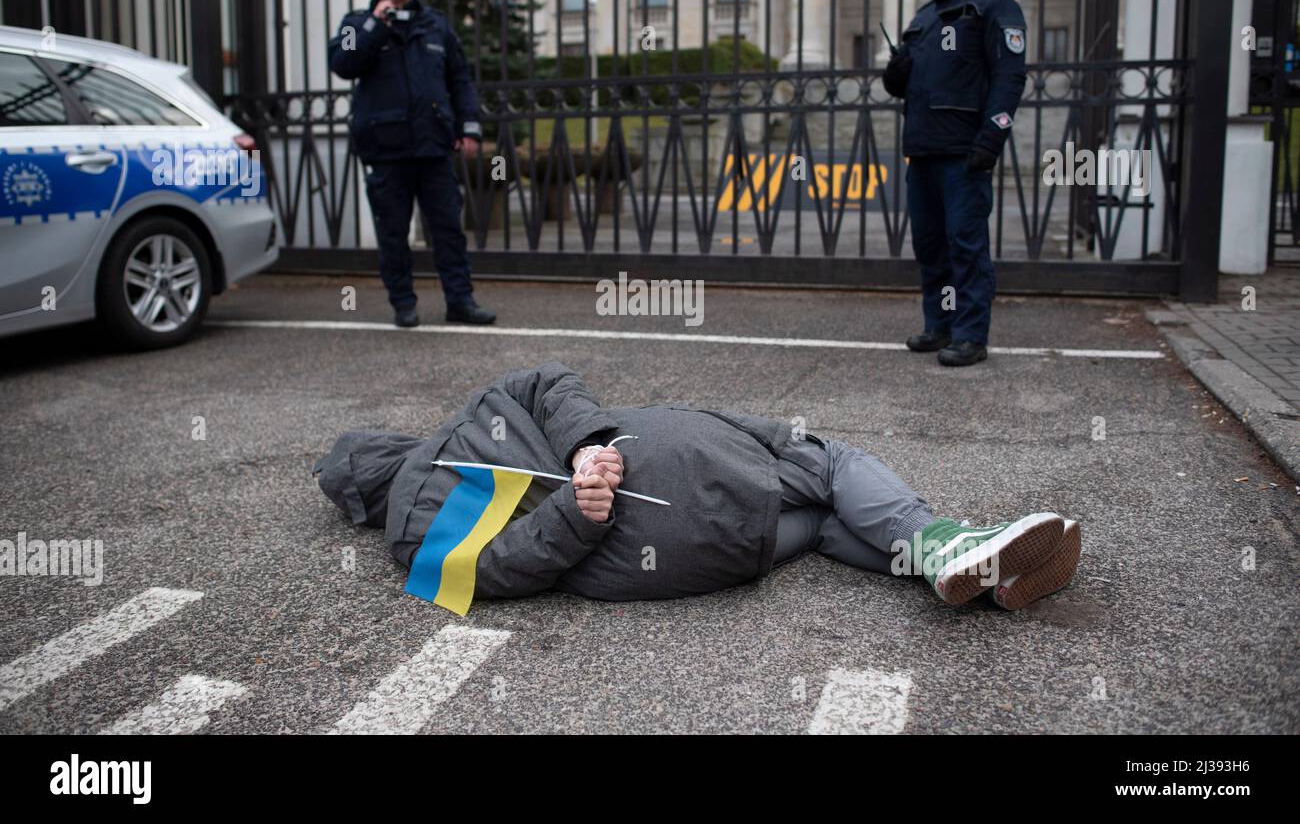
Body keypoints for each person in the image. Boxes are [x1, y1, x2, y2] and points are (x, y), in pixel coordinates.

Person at [314, 362, 1081, 612]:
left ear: (363, 506)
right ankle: (949, 544)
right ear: (390, 445)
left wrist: (577, 519)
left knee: (809, 529)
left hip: (665, 565)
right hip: (669, 458)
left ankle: (968, 573)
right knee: (828, 465)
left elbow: (502, 572)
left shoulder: (414, 547)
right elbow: (555, 380)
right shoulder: (473, 414)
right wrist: (591, 450)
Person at [882, 0, 1028, 367]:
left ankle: (970, 334)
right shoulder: (924, 17)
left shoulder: (994, 6)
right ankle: (941, 323)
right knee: (930, 246)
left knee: (965, 244)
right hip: (922, 150)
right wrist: (896, 75)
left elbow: (1009, 76)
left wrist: (992, 136)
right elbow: (908, 84)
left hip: (964, 152)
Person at [328, 0, 496, 328]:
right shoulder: (358, 23)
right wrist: (375, 25)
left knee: (448, 229)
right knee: (393, 233)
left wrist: (468, 127)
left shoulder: (435, 26)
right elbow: (342, 63)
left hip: (433, 147)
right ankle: (403, 303)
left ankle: (460, 301)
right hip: (386, 152)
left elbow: (459, 80)